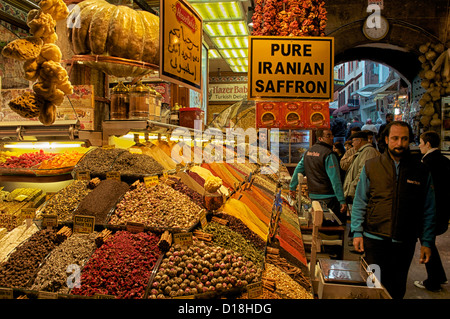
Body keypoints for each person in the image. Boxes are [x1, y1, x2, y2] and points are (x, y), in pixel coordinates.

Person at [351, 121, 436, 299]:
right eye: (395, 138)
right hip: (374, 239)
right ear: (387, 139)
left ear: (409, 140)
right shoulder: (371, 166)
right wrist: (357, 231)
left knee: (397, 289)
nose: (400, 143)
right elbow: (360, 201)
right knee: (372, 287)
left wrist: (427, 241)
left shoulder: (421, 170)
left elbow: (429, 208)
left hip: (404, 242)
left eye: (404, 139)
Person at [414, 131, 450, 292]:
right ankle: (439, 276)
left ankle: (434, 281)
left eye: (421, 142)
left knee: (427, 244)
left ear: (428, 144)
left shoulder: (426, 163)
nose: (419, 145)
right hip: (443, 210)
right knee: (429, 243)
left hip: (430, 211)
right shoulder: (445, 160)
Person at [290, 129, 348, 226]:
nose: (332, 138)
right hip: (329, 198)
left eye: (331, 135)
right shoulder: (328, 154)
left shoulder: (308, 152)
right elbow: (335, 179)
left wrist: (292, 187)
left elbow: (298, 170)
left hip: (313, 197)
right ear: (320, 138)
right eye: (328, 136)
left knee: (318, 225)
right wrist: (341, 200)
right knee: (332, 229)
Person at [342, 131, 380, 247]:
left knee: (360, 218)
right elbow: (343, 164)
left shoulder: (368, 152)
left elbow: (362, 173)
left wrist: (353, 187)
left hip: (358, 192)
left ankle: (360, 244)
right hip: (354, 192)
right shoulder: (359, 152)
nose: (352, 144)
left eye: (353, 141)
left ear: (359, 140)